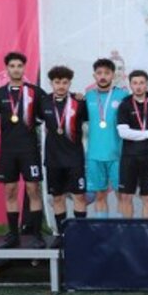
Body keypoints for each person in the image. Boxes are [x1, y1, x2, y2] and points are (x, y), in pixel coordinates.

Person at [0, 52, 46, 248]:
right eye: (12, 66)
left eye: (19, 66)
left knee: (33, 189)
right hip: (8, 151)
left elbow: (48, 112)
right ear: (7, 69)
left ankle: (37, 236)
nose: (16, 69)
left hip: (29, 149)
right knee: (10, 191)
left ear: (24, 68)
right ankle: (13, 236)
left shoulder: (35, 92)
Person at [39, 65, 88, 246]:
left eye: (65, 82)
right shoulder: (43, 102)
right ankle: (62, 235)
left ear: (70, 83)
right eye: (57, 82)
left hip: (75, 158)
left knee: (79, 197)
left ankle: (81, 235)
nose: (61, 86)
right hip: (53, 158)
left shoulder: (79, 102)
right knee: (57, 197)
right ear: (51, 83)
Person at [84, 58, 130, 217]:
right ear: (94, 75)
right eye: (99, 73)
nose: (103, 76)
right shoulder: (88, 97)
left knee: (122, 196)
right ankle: (103, 230)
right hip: (95, 155)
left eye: (107, 73)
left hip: (118, 155)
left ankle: (122, 230)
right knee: (100, 196)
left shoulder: (123, 95)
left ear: (113, 75)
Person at [116, 70, 148, 218]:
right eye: (135, 83)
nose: (139, 86)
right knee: (126, 197)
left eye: (142, 83)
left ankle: (146, 229)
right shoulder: (125, 104)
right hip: (129, 157)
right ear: (130, 85)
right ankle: (129, 229)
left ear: (147, 84)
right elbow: (123, 132)